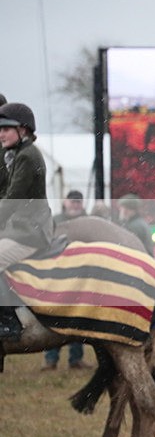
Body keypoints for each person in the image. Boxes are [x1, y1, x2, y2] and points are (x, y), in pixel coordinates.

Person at [0, 102, 54, 339]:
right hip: (20, 228)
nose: (0, 134)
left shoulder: (27, 157)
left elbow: (11, 201)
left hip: (30, 232)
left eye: (5, 129)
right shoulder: (19, 154)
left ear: (23, 130)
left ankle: (8, 319)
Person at [43, 189, 91, 370]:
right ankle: (51, 358)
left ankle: (76, 359)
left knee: (77, 320)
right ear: (65, 202)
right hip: (58, 277)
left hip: (81, 278)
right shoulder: (55, 221)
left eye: (78, 202)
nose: (75, 205)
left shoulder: (89, 222)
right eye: (73, 201)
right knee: (53, 319)